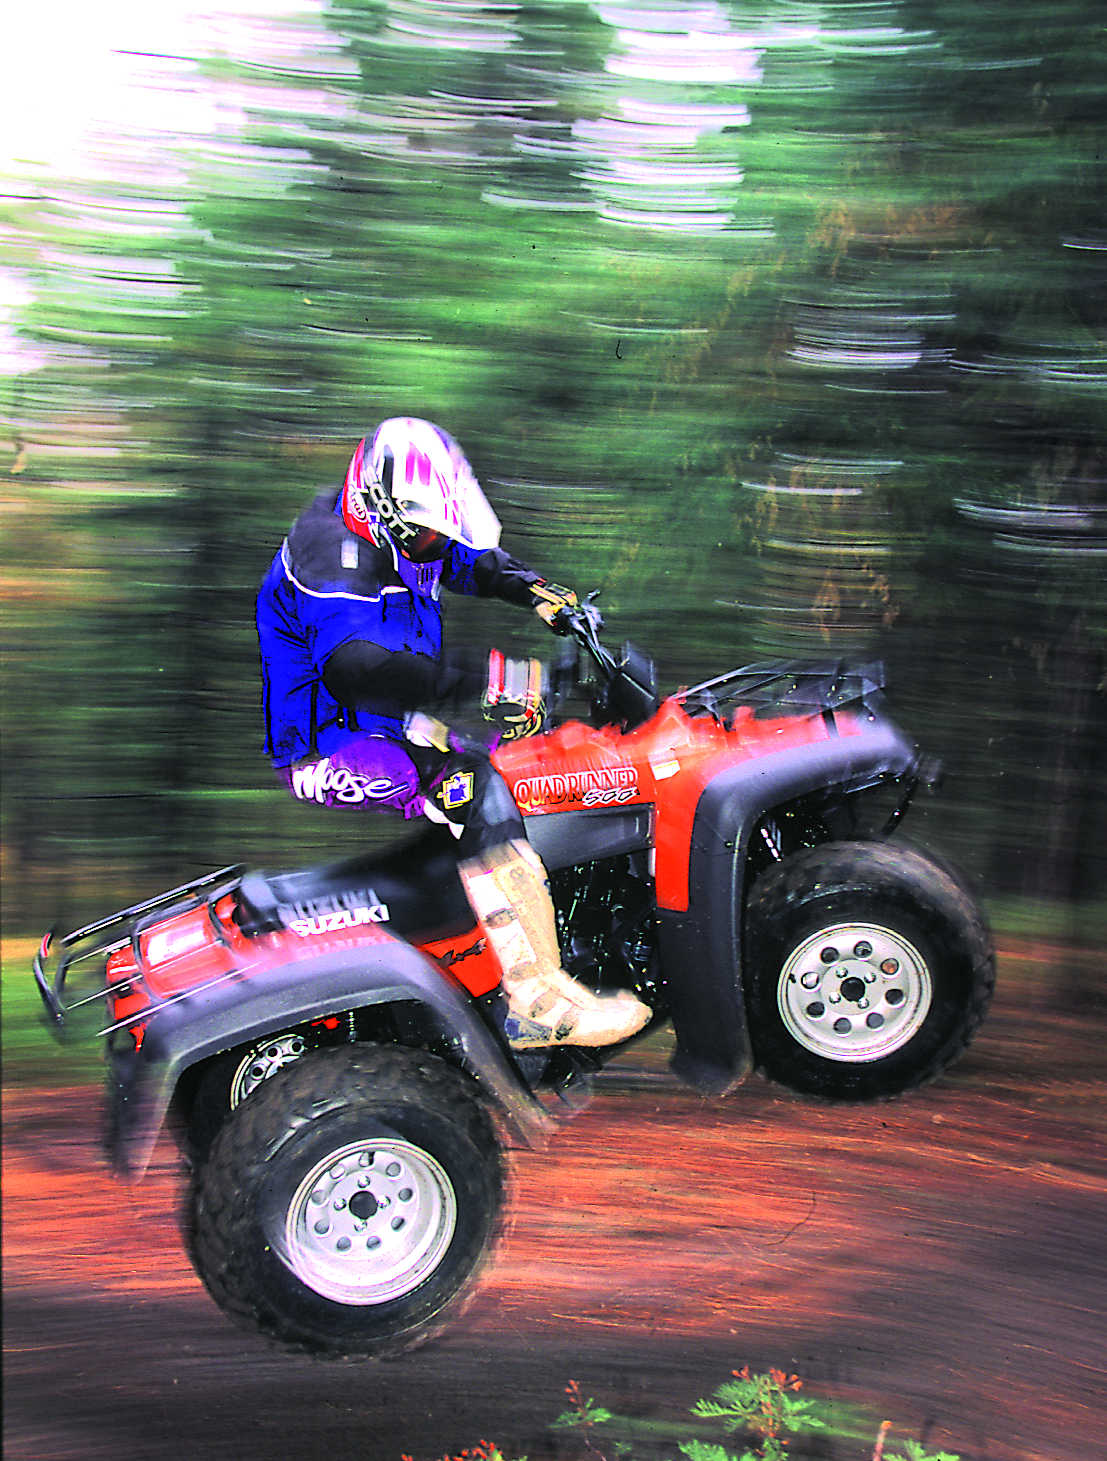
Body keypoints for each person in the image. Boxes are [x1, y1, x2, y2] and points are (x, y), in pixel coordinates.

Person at [256, 416, 650, 1051]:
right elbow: (362, 671)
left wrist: (542, 594)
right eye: (424, 537)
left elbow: (469, 559)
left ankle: (532, 934)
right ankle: (532, 1000)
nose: (434, 547)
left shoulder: (405, 532)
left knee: (534, 762)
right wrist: (503, 678)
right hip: (332, 740)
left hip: (391, 718)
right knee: (482, 786)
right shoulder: (331, 555)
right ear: (380, 511)